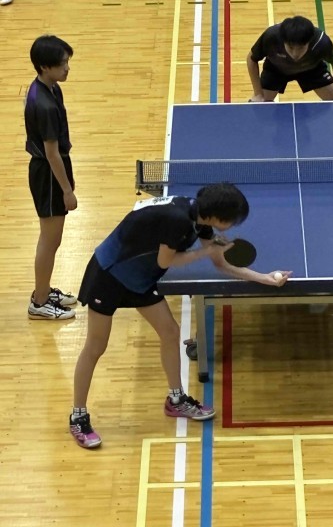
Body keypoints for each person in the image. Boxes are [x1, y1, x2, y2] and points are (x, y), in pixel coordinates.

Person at [69, 184, 291, 448]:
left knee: (170, 332)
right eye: (232, 220)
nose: (233, 225)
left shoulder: (200, 221)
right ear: (218, 216)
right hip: (109, 274)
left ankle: (176, 400)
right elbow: (166, 261)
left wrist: (265, 278)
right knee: (96, 346)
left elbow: (221, 264)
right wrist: (205, 251)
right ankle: (78, 417)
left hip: (139, 278)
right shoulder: (177, 220)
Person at [25, 36, 78, 321]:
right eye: (62, 64)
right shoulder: (44, 104)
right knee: (50, 240)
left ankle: (44, 291)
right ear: (45, 66)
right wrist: (67, 190)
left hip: (53, 170)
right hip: (47, 175)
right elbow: (51, 153)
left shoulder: (50, 87)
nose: (67, 68)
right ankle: (40, 302)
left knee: (52, 240)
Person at [247, 16, 333, 103]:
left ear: (309, 41)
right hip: (276, 70)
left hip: (311, 69)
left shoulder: (321, 42)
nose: (295, 54)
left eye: (301, 48)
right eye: (290, 48)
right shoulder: (272, 37)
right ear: (283, 41)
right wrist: (258, 94)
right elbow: (251, 59)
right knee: (259, 107)